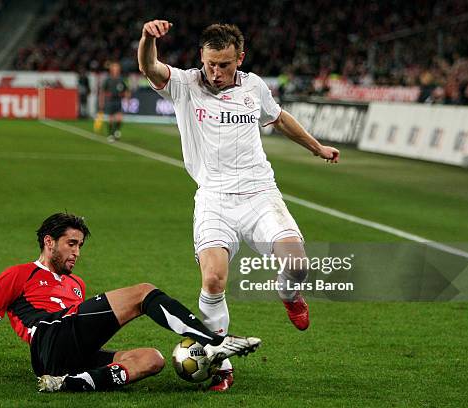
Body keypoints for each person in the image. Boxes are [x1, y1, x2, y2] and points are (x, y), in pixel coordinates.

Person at [138, 21, 340, 391]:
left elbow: (278, 119)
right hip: (213, 199)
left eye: (225, 65)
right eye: (211, 63)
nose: (216, 72)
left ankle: (288, 293)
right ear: (202, 56)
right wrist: (148, 39)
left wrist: (317, 148)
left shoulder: (254, 86)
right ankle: (220, 361)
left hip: (259, 194)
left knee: (297, 265)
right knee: (213, 279)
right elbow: (150, 68)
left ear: (239, 59)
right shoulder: (185, 85)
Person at [0, 213, 261, 393]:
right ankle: (213, 341)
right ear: (49, 242)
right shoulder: (19, 274)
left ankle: (66, 384)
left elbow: (85, 328)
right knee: (144, 292)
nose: (76, 252)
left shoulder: (76, 285)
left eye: (80, 246)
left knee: (151, 359)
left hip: (62, 357)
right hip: (46, 337)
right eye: (71, 244)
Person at [100, 61, 129, 142]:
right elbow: (103, 92)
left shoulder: (121, 79)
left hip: (118, 101)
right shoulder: (108, 80)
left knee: (119, 119)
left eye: (117, 69)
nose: (116, 70)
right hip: (110, 101)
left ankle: (116, 131)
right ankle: (110, 134)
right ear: (111, 70)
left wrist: (126, 98)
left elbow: (126, 90)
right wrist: (101, 102)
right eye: (114, 69)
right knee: (111, 119)